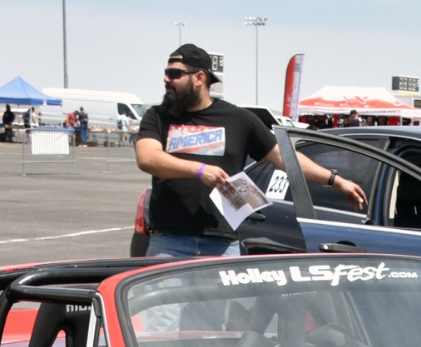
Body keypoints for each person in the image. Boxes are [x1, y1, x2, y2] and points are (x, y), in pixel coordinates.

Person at [134, 43, 366, 258]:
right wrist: (200, 170)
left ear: (200, 77)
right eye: (166, 73)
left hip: (222, 245)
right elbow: (148, 158)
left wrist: (335, 180)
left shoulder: (239, 119)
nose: (166, 79)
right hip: (169, 242)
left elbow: (286, 159)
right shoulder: (159, 117)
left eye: (175, 74)